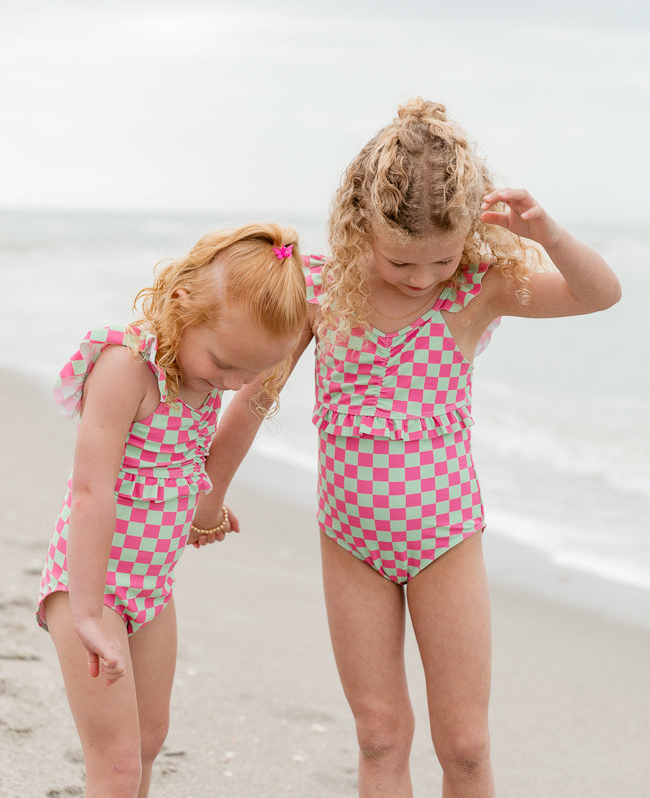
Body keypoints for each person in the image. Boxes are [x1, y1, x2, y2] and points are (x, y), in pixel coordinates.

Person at [195, 97, 621, 798]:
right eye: (402, 260)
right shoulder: (320, 288)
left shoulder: (475, 291)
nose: (422, 278)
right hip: (350, 540)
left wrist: (545, 231)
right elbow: (256, 395)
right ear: (363, 222)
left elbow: (599, 294)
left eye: (440, 258)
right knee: (380, 733)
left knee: (466, 744)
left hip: (444, 540)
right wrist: (208, 496)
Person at [36, 224, 306, 798]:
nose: (229, 383)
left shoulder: (209, 369)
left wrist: (200, 512)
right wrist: (85, 613)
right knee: (114, 764)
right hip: (92, 581)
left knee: (150, 738)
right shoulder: (128, 367)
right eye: (224, 363)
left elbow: (193, 457)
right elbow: (92, 491)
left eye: (243, 374)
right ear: (182, 301)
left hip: (151, 583)